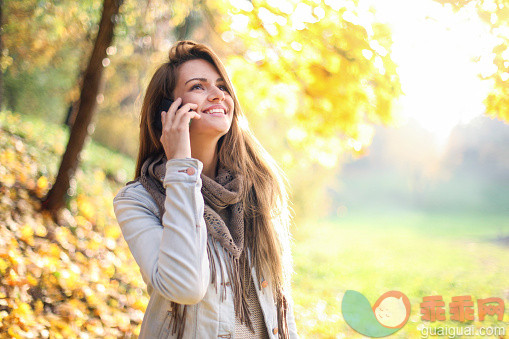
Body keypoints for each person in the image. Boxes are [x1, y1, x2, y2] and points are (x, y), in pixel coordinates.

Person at [113, 40, 299, 338]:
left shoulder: (259, 187)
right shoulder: (137, 201)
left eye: (222, 86)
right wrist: (181, 168)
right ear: (167, 111)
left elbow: (281, 303)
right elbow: (185, 286)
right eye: (198, 86)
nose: (217, 95)